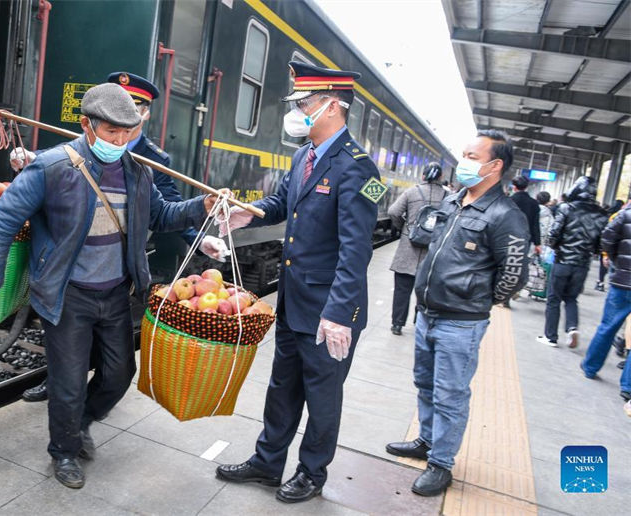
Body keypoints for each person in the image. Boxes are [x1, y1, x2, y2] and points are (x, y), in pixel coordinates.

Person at [0, 83, 227, 489]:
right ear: (86, 125)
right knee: (68, 382)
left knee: (120, 373)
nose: (119, 141)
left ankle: (82, 421)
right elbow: (5, 217)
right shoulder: (52, 167)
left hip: (116, 292)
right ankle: (64, 450)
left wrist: (201, 206)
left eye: (127, 132)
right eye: (111, 132)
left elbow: (161, 215)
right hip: (68, 293)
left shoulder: (138, 172)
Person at [213, 62, 382, 503]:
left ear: (333, 106)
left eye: (304, 104)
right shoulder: (304, 155)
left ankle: (311, 472)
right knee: (282, 387)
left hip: (329, 311)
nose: (297, 112)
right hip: (293, 301)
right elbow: (282, 202)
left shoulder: (359, 170)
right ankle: (267, 463)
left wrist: (339, 314)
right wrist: (248, 214)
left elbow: (356, 250)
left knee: (322, 396)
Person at [19, 72, 228, 403]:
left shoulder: (153, 160)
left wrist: (199, 239)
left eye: (135, 107)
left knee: (109, 348)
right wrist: (28, 158)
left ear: (145, 114)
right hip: (74, 260)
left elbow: (166, 209)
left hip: (118, 261)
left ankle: (92, 399)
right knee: (68, 335)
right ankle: (58, 385)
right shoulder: (90, 136)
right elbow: (58, 158)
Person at [385, 129, 530, 497]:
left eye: (472, 157)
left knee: (450, 394)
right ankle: (427, 440)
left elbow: (514, 275)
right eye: (464, 154)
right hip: (427, 313)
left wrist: (478, 300)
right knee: (425, 383)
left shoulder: (506, 214)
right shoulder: (452, 202)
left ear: (495, 166)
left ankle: (441, 463)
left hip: (461, 322)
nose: (463, 162)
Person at [536, 176, 607, 348]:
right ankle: (572, 328)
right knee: (571, 298)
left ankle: (551, 336)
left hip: (563, 261)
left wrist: (554, 247)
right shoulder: (602, 214)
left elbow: (554, 234)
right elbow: (600, 245)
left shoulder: (567, 208)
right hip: (583, 264)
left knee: (554, 298)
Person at [387, 162, 447, 335]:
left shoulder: (412, 192)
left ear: (423, 176)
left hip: (408, 248)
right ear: (441, 177)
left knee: (402, 290)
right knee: (426, 291)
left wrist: (405, 228)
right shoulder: (448, 197)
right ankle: (418, 321)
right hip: (433, 251)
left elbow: (393, 212)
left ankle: (397, 324)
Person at [582, 201, 631, 403]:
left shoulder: (625, 214)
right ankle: (628, 386)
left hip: (622, 283)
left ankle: (590, 367)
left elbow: (607, 237)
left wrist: (617, 261)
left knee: (608, 326)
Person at [595, 199, 624, 291]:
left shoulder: (613, 216)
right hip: (619, 251)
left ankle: (600, 282)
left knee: (604, 267)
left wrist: (605, 252)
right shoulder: (620, 215)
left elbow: (607, 235)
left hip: (611, 249)